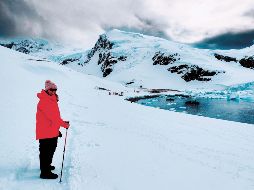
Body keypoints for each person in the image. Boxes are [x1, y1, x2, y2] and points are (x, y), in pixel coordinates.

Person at [36, 80, 70, 179]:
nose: (54, 91)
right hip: (46, 132)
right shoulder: (45, 101)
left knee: (49, 150)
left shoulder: (51, 99)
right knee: (46, 151)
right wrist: (64, 125)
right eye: (52, 90)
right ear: (47, 90)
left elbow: (54, 117)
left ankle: (46, 166)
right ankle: (45, 172)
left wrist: (58, 127)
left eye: (55, 90)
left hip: (50, 130)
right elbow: (54, 118)